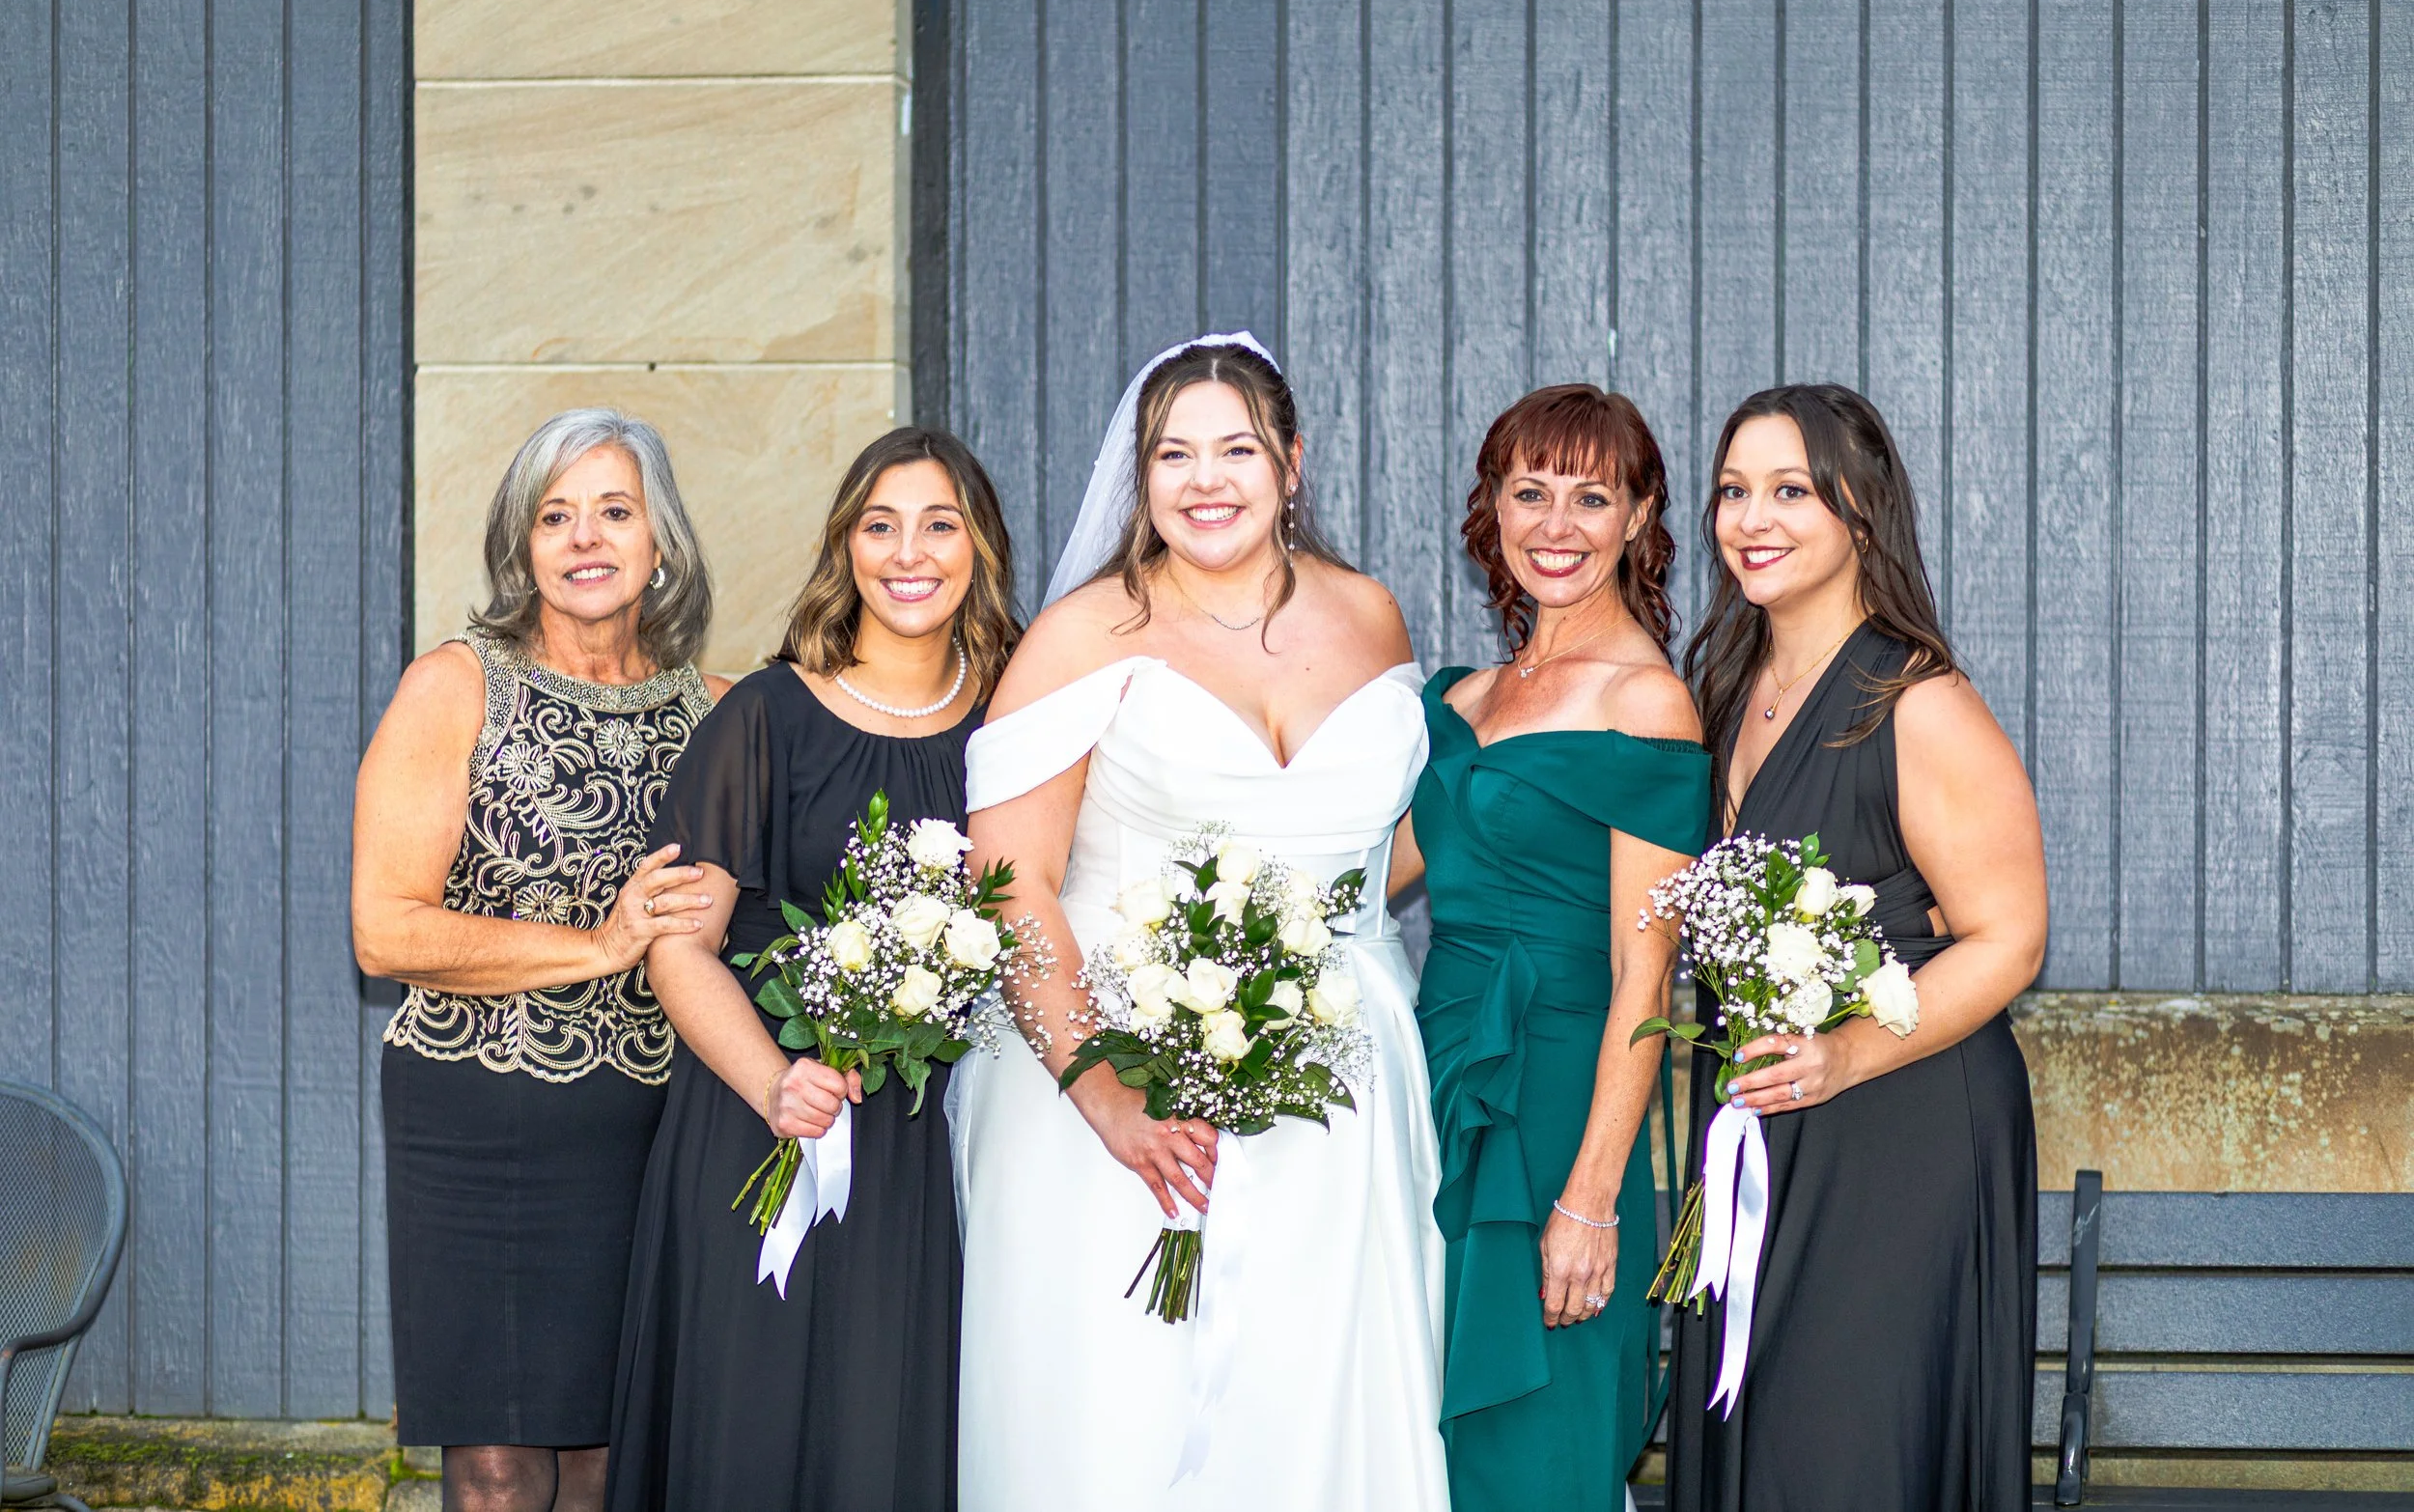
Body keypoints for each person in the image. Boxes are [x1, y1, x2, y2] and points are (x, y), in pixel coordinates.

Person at [950, 333, 1450, 1511]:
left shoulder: (1370, 615)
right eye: (1172, 453)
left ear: (1291, 461)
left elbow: (1381, 847)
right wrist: (1105, 1088)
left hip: (1341, 1079)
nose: (1204, 478)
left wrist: (1302, 976)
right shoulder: (1084, 633)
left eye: (1234, 447)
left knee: (1315, 1399)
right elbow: (1009, 880)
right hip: (1121, 1083)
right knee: (1127, 1409)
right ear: (1141, 474)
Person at [605, 428, 1019, 1512]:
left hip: (933, 1148)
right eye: (878, 525)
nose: (908, 552)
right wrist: (773, 1080)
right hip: (765, 1119)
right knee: (754, 1425)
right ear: (845, 547)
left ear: (979, 545)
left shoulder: (1017, 727)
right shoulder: (767, 717)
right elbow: (679, 945)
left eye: (939, 523)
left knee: (892, 1433)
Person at [1663, 384, 2047, 1512]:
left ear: (1860, 513)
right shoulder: (1731, 687)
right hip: (1770, 1127)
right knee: (1762, 1434)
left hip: (1899, 1128)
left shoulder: (1913, 701)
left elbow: (2010, 937)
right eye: (1734, 490)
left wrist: (1843, 1055)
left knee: (1844, 1450)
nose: (1751, 517)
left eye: (1789, 489)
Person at [353, 409, 723, 1512]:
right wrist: (599, 944)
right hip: (481, 1117)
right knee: (502, 1467)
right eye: (554, 516)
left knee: (614, 1457)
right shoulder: (457, 685)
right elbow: (385, 926)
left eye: (615, 510)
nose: (585, 538)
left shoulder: (711, 710)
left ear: (662, 539)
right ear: (522, 544)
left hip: (654, 1131)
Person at [1389, 385, 1709, 1512]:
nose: (1556, 524)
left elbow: (1646, 972)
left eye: (1591, 494)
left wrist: (1591, 1197)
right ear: (1492, 506)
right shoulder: (1464, 696)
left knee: (1537, 1432)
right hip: (1433, 1081)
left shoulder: (1648, 703)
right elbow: (1354, 887)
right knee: (1418, 1427)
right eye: (1530, 491)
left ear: (1639, 514)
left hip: (1565, 1098)